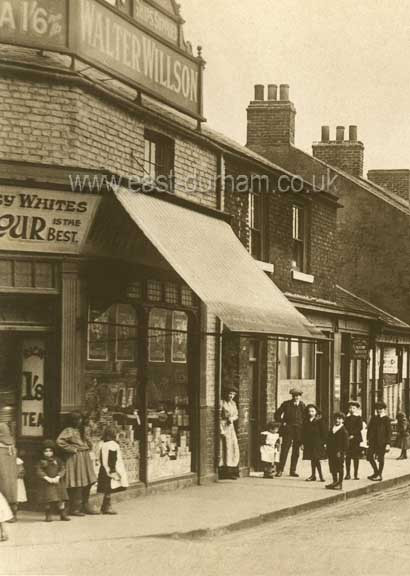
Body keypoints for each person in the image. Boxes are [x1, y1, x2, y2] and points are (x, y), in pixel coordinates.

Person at [56, 412, 98, 516]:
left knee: (88, 481)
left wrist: (88, 439)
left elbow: (89, 443)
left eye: (80, 419)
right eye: (76, 419)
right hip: (75, 457)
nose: (79, 421)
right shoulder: (68, 430)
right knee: (77, 481)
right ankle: (75, 507)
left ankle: (85, 504)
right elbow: (59, 442)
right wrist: (73, 449)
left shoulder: (83, 430)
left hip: (85, 456)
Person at [36, 440, 70, 522]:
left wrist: (58, 477)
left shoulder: (58, 460)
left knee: (61, 499)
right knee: (48, 500)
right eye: (46, 451)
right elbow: (39, 471)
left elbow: (62, 469)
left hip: (58, 482)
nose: (48, 453)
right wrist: (47, 478)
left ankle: (63, 514)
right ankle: (48, 515)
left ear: (54, 451)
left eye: (50, 451)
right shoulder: (41, 462)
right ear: (42, 452)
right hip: (47, 483)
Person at [97, 426, 128, 515]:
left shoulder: (101, 444)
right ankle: (107, 506)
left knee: (107, 488)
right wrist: (113, 470)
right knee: (109, 488)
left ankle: (105, 506)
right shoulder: (112, 445)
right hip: (111, 469)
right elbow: (112, 458)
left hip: (103, 468)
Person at [275, 388, 306, 477]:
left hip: (298, 431)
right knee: (285, 449)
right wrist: (283, 423)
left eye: (298, 396)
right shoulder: (286, 404)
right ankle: (280, 470)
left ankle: (293, 470)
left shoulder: (302, 405)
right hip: (288, 430)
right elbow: (277, 414)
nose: (296, 397)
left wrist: (302, 427)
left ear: (300, 396)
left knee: (296, 451)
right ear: (292, 396)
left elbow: (305, 418)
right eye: (295, 396)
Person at [219, 386, 240, 480]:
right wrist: (221, 429)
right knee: (223, 447)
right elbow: (218, 417)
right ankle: (223, 470)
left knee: (232, 447)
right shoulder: (221, 402)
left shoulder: (233, 403)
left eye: (233, 394)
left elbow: (236, 415)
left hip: (230, 427)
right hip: (223, 426)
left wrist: (232, 418)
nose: (231, 396)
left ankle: (230, 469)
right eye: (230, 393)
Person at [367, 401, 391, 481]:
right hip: (373, 441)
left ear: (384, 409)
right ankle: (376, 472)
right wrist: (368, 439)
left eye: (380, 409)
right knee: (369, 456)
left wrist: (388, 443)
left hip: (382, 442)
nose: (379, 410)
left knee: (381, 458)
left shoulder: (386, 419)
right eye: (377, 409)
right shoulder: (374, 418)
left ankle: (379, 475)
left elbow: (389, 432)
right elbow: (369, 429)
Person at [302, 404, 326, 482]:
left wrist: (324, 442)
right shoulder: (306, 421)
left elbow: (324, 432)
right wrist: (303, 443)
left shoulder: (320, 421)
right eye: (309, 411)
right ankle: (313, 475)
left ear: (316, 412)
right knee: (312, 459)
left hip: (317, 443)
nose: (310, 413)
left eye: (312, 411)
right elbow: (303, 432)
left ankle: (321, 476)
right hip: (309, 443)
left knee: (316, 458)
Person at [326, 412, 349, 490]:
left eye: (339, 419)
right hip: (331, 451)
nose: (337, 420)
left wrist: (341, 451)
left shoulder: (343, 430)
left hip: (339, 452)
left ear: (343, 420)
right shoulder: (332, 429)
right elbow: (328, 440)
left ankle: (340, 483)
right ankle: (334, 481)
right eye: (336, 418)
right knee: (332, 466)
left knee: (339, 467)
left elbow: (346, 444)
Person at [0, 422, 17, 522]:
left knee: (5, 486)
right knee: (9, 487)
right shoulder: (11, 445)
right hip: (10, 474)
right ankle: (12, 511)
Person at [344, 401, 364, 480]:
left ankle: (355, 474)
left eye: (353, 408)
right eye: (350, 408)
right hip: (348, 439)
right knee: (348, 457)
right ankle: (348, 474)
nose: (351, 409)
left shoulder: (358, 418)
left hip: (356, 439)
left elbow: (360, 427)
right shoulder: (346, 418)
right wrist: (347, 435)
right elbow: (345, 427)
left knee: (356, 457)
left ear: (357, 409)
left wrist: (353, 434)